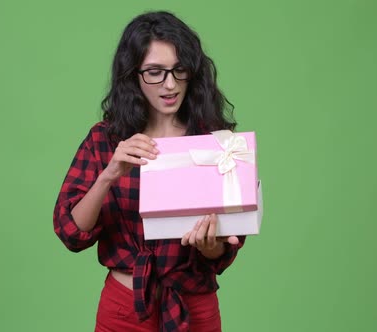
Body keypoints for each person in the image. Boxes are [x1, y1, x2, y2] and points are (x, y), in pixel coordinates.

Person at [53, 11, 245, 332]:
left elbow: (221, 253)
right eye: (155, 72)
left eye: (178, 70)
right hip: (125, 308)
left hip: (193, 306)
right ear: (134, 75)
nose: (169, 84)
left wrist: (209, 245)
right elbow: (71, 233)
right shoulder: (105, 139)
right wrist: (110, 173)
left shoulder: (217, 144)